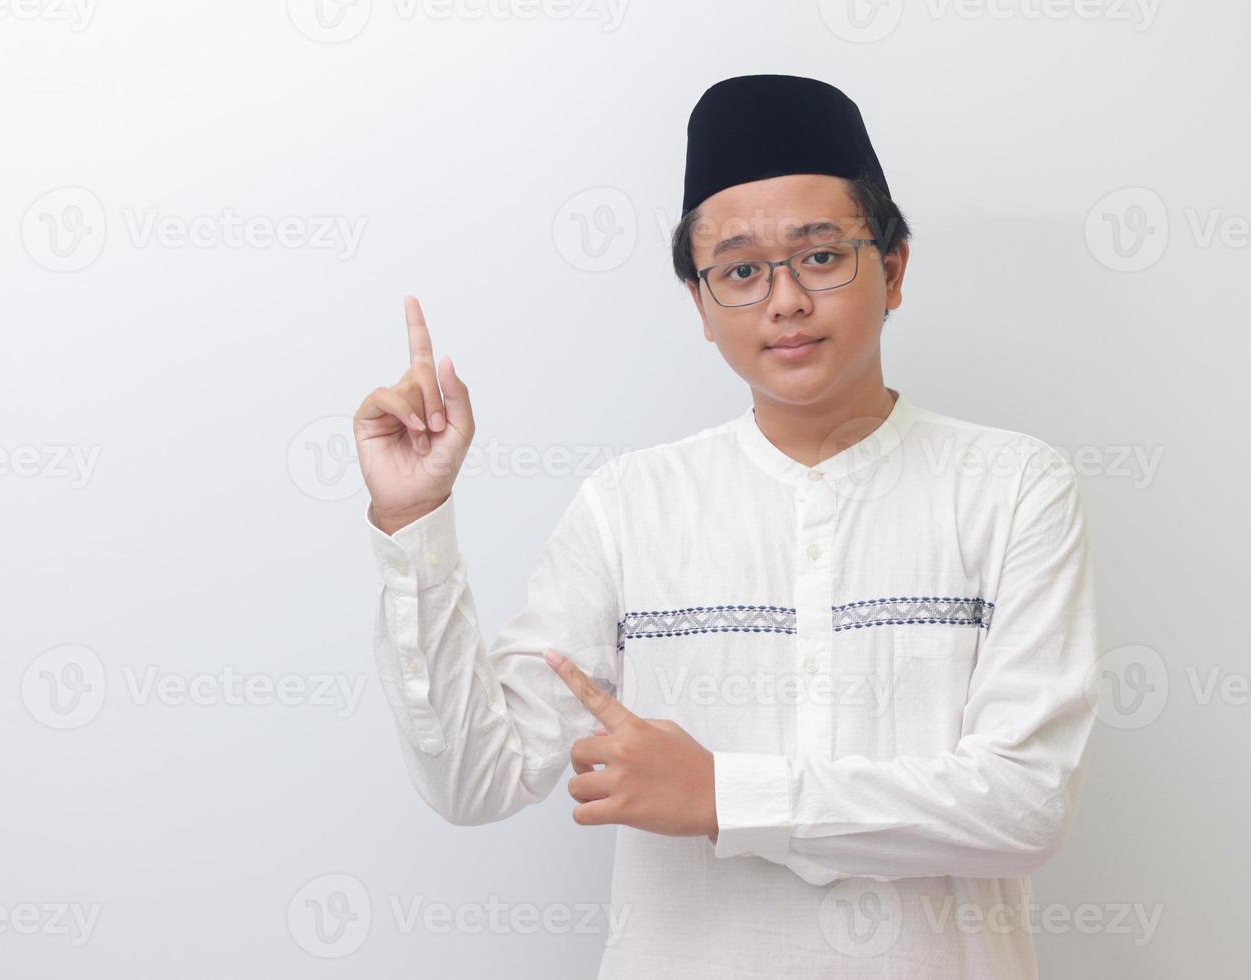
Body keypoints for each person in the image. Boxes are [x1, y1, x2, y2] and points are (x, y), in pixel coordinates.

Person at [353, 73, 1100, 980]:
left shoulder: (1011, 486)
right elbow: (477, 780)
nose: (783, 300)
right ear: (701, 306)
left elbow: (1025, 804)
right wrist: (413, 518)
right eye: (740, 271)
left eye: (821, 257)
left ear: (894, 269)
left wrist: (723, 795)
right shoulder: (631, 507)